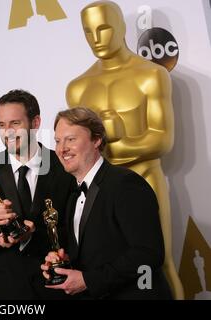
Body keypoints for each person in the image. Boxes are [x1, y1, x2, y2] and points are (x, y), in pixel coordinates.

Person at [65, 0, 183, 299]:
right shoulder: (78, 87)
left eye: (104, 29)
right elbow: (81, 148)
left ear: (121, 27)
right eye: (88, 32)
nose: (97, 39)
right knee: (103, 267)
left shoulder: (150, 75)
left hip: (145, 178)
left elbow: (162, 140)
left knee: (159, 264)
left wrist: (113, 142)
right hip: (99, 191)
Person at [0, 89, 76, 299]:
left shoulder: (64, 167)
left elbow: (78, 232)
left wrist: (35, 235)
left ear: (36, 122)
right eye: (2, 125)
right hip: (5, 294)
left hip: (56, 290)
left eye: (15, 123)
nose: (8, 132)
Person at [41, 107, 172, 299]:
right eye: (58, 141)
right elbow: (96, 252)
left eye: (71, 139)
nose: (62, 149)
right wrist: (62, 262)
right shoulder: (72, 194)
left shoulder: (125, 184)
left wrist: (89, 280)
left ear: (97, 140)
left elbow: (148, 253)